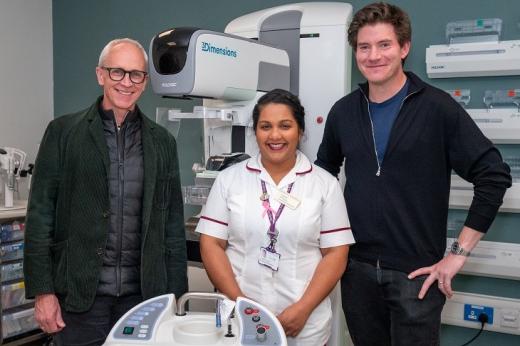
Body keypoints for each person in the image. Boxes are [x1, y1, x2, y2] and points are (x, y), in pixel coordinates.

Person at [315, 3, 512, 345]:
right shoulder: (344, 112)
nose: (373, 55)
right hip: (355, 271)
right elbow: (323, 177)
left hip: (416, 275)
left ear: (404, 48)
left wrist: (457, 255)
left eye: (384, 45)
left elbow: (493, 175)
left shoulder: (437, 108)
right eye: (364, 47)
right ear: (355, 53)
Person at [23, 38, 188, 345]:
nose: (127, 82)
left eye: (136, 74)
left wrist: (177, 298)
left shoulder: (162, 142)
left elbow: (172, 229)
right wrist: (43, 291)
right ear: (101, 75)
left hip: (142, 298)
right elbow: (40, 217)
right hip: (80, 298)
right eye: (117, 72)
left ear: (145, 81)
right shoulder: (63, 133)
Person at [196, 89, 355, 346]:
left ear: (300, 131)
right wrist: (241, 303)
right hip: (238, 318)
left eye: (285, 126)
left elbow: (337, 253)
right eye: (265, 126)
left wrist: (303, 309)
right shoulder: (229, 179)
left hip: (304, 324)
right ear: (255, 131)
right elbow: (211, 244)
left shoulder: (324, 184)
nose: (275, 135)